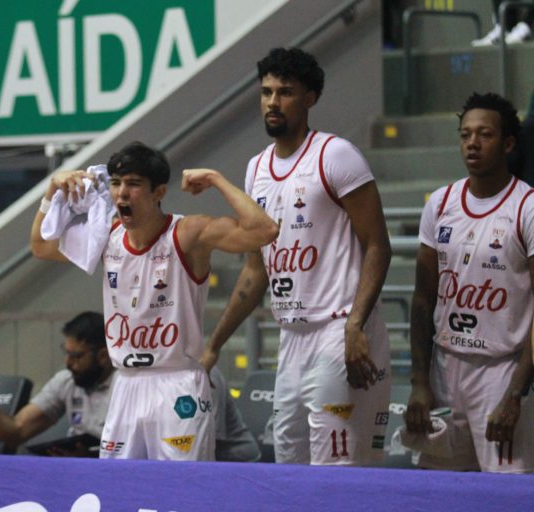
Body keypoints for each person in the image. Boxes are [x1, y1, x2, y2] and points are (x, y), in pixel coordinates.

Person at [203, 48, 392, 466]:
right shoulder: (256, 169)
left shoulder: (335, 155)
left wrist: (355, 324)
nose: (273, 101)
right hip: (291, 336)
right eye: (266, 92)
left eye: (285, 92)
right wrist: (213, 345)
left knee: (335, 470)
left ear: (310, 98)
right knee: (289, 465)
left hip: (338, 327)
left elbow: (378, 245)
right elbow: (255, 270)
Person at [31, 141, 279, 461]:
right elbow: (40, 246)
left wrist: (216, 179)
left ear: (159, 192)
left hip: (177, 384)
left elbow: (265, 230)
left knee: (181, 488)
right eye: (116, 183)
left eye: (133, 184)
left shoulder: (188, 232)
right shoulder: (107, 235)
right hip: (125, 383)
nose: (122, 193)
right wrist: (52, 190)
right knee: (117, 487)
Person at [405, 93, 534, 473]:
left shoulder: (527, 207)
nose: (472, 143)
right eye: (465, 135)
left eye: (484, 134)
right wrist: (419, 382)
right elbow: (423, 300)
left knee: (507, 491)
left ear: (508, 144)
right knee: (438, 488)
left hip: (501, 370)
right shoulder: (440, 203)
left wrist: (516, 393)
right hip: (445, 368)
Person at [0, 312, 113, 455]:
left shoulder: (124, 386)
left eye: (76, 356)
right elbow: (16, 431)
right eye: (66, 353)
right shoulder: (67, 380)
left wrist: (92, 457)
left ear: (103, 356)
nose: (67, 362)